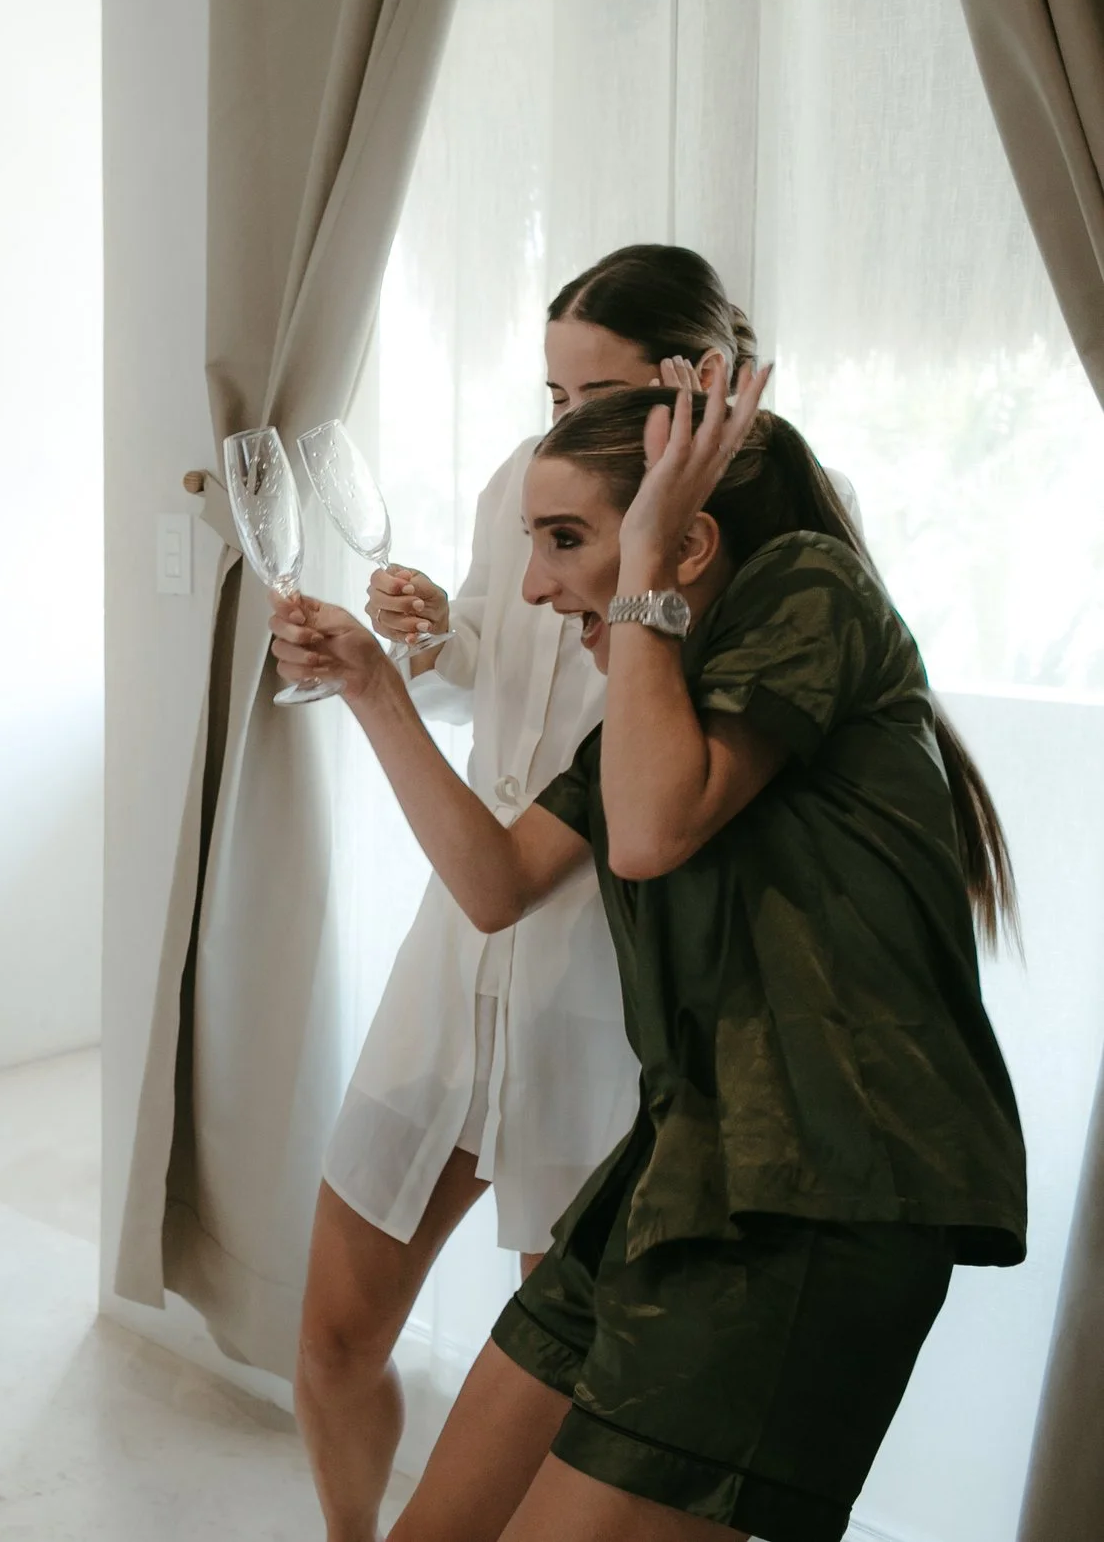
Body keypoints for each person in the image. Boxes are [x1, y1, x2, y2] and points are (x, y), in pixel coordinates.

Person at [271, 376, 1025, 1542]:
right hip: (677, 1174)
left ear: (687, 536)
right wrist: (374, 685)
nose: (529, 584)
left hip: (818, 1193)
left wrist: (641, 576)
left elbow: (650, 831)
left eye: (565, 539)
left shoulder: (809, 588)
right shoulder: (655, 693)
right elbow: (495, 881)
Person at [294, 244, 762, 1541]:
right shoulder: (530, 474)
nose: (563, 424)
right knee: (332, 1332)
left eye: (596, 395)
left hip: (597, 985)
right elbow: (506, 648)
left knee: (551, 1379)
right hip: (458, 944)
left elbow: (652, 784)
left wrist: (389, 684)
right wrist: (439, 629)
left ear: (696, 384)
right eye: (551, 392)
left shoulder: (735, 560)